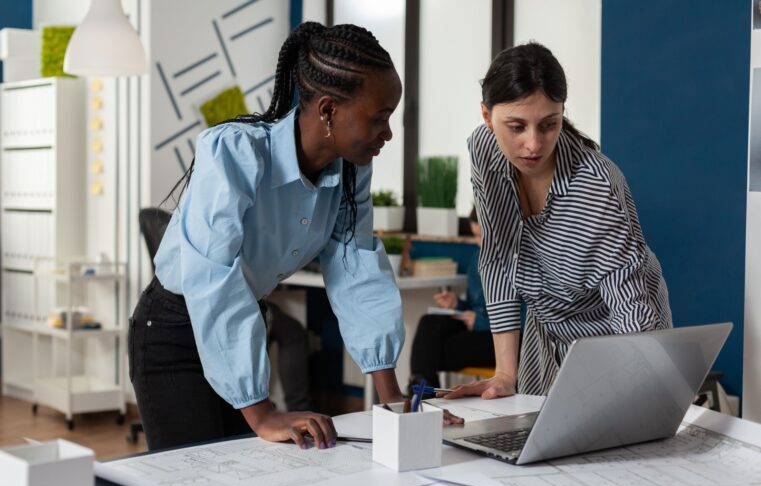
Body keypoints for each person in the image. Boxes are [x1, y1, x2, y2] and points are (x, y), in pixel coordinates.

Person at [129, 22, 409, 451]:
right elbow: (213, 279)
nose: (388, 133)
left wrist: (393, 403)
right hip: (176, 333)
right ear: (329, 110)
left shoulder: (351, 171)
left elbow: (356, 271)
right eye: (379, 117)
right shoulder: (236, 153)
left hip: (241, 326)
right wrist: (262, 415)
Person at [444, 42, 672, 401]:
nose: (533, 144)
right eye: (516, 126)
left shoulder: (596, 186)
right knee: (536, 438)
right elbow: (499, 258)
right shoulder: (485, 150)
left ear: (562, 114)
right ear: (487, 117)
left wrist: (647, 383)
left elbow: (629, 300)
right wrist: (505, 373)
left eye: (549, 125)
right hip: (546, 323)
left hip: (616, 329)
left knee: (619, 438)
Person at [409, 207, 494, 389]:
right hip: (477, 329)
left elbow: (527, 321)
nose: (478, 243)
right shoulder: (478, 258)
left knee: (433, 352)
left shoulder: (520, 261)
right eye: (475, 236)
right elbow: (474, 305)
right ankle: (424, 393)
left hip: (503, 337)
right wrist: (457, 304)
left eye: (482, 236)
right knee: (429, 322)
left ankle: (423, 395)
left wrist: (479, 322)